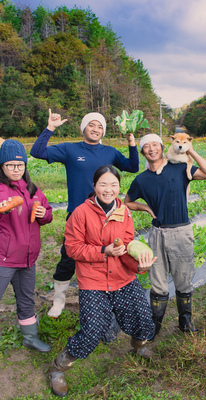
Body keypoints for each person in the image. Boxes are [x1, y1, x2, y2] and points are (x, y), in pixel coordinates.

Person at [49, 165, 157, 397]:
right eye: (103, 184)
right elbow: (73, 248)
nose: (109, 189)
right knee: (92, 330)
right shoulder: (81, 213)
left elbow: (126, 248)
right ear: (95, 186)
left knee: (141, 316)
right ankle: (58, 368)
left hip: (122, 278)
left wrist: (139, 266)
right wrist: (103, 251)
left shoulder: (124, 212)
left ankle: (139, 347)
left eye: (114, 185)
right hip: (93, 281)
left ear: (119, 187)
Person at [31, 108, 140, 319]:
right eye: (92, 124)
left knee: (106, 255)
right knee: (69, 257)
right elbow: (37, 152)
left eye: (100, 126)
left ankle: (99, 297)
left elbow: (133, 167)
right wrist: (50, 128)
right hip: (78, 214)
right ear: (84, 128)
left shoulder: (110, 152)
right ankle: (59, 300)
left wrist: (132, 142)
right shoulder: (70, 150)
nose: (96, 129)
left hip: (106, 215)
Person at [124, 133, 206, 338]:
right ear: (142, 152)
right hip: (156, 234)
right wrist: (146, 208)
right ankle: (154, 325)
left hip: (181, 232)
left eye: (155, 144)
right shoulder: (141, 179)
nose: (151, 149)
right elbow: (126, 202)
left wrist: (190, 149)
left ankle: (185, 322)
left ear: (162, 147)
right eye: (146, 146)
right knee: (157, 281)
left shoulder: (180, 168)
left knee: (183, 279)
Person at [0, 140, 53, 352]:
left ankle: (30, 338)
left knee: (26, 298)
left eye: (20, 165)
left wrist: (43, 214)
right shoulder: (2, 190)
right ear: (2, 166)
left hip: (28, 258)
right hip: (4, 258)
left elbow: (47, 213)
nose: (16, 169)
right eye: (11, 165)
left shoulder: (32, 189)